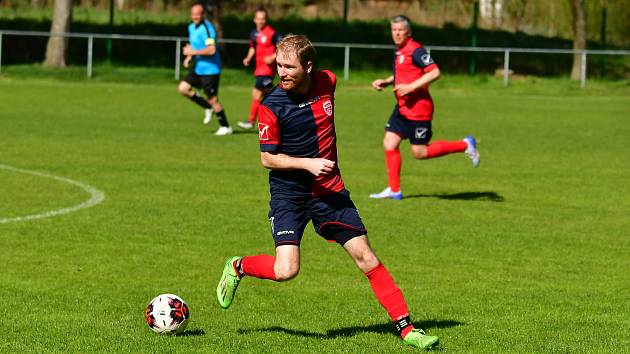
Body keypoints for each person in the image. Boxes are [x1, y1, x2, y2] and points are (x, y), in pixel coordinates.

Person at [216, 34, 439, 350]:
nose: (282, 72)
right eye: (279, 65)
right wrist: (308, 164)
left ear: (308, 67)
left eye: (289, 66)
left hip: (329, 193)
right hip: (289, 196)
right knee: (286, 270)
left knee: (366, 256)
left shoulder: (328, 82)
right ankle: (238, 266)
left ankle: (407, 329)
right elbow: (267, 157)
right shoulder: (272, 105)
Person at [370, 15, 480, 200]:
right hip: (403, 108)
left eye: (400, 30)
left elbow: (435, 72)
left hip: (419, 110)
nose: (396, 33)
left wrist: (411, 87)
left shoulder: (416, 50)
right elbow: (405, 73)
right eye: (394, 30)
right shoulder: (399, 51)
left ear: (409, 32)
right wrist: (387, 81)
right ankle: (394, 190)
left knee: (419, 153)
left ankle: (465, 145)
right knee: (389, 143)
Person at [177, 2, 232, 136]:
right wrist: (189, 57)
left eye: (198, 14)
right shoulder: (191, 27)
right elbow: (194, 45)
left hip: (211, 70)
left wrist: (193, 52)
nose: (195, 16)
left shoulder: (208, 29)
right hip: (198, 68)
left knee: (213, 100)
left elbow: (211, 50)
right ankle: (207, 107)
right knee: (183, 88)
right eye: (193, 14)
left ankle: (225, 127)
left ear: (202, 15)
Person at [237, 8, 281, 130]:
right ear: (254, 19)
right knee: (268, 95)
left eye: (263, 19)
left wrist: (273, 57)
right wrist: (248, 57)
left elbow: (282, 46)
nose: (260, 21)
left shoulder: (272, 33)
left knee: (257, 93)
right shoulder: (254, 33)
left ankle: (250, 122)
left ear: (266, 20)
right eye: (258, 19)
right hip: (259, 68)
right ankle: (280, 117)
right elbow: (253, 47)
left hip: (267, 69)